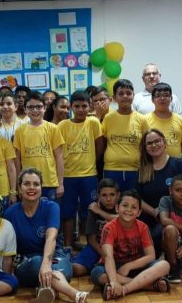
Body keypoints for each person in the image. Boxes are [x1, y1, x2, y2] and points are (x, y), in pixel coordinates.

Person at [4, 169, 88, 303]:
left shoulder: (52, 207)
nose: (31, 188)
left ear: (41, 188)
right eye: (27, 184)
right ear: (19, 188)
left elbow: (51, 237)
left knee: (63, 269)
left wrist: (46, 265)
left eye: (36, 184)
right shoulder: (10, 213)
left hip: (54, 255)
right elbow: (6, 247)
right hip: (27, 261)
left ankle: (45, 290)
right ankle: (75, 294)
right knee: (38, 263)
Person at [92, 190, 171, 300]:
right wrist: (114, 280)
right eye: (125, 205)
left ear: (139, 212)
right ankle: (149, 285)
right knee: (99, 275)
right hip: (113, 267)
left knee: (164, 265)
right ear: (117, 208)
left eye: (134, 207)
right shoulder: (109, 228)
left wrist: (128, 266)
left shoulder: (143, 227)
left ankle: (125, 289)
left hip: (136, 266)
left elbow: (151, 256)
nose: (129, 210)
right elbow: (108, 256)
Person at [57, 91, 103, 249]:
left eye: (84, 106)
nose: (81, 109)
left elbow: (99, 146)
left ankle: (90, 246)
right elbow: (58, 150)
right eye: (77, 106)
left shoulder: (93, 122)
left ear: (90, 106)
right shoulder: (63, 125)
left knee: (89, 212)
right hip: (68, 176)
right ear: (71, 107)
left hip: (89, 175)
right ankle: (68, 246)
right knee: (68, 213)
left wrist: (92, 162)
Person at [138, 129, 182, 235]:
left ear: (164, 142)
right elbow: (138, 199)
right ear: (145, 147)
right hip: (151, 221)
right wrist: (154, 212)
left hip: (177, 218)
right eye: (149, 143)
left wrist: (176, 212)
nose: (154, 145)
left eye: (157, 141)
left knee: (167, 230)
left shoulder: (180, 165)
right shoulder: (142, 171)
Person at [13, 91, 65, 200]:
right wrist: (18, 184)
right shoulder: (20, 131)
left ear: (45, 108)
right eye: (31, 107)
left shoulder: (53, 128)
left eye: (38, 107)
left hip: (49, 182)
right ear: (25, 109)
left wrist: (60, 184)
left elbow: (59, 157)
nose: (35, 110)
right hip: (28, 183)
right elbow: (17, 160)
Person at [102, 79, 148, 191]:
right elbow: (103, 142)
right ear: (114, 97)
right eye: (121, 93)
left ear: (133, 95)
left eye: (128, 93)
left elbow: (146, 145)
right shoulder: (108, 118)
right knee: (112, 200)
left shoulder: (142, 119)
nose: (125, 96)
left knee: (134, 199)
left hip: (135, 169)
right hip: (111, 169)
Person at [71, 179, 118, 277]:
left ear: (118, 195)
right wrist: (105, 256)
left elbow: (122, 219)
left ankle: (96, 266)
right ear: (98, 196)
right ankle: (84, 261)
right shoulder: (93, 208)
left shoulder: (122, 206)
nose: (108, 199)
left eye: (112, 195)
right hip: (97, 247)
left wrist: (100, 212)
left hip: (117, 248)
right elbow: (92, 240)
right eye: (104, 195)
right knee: (76, 269)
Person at [144, 83, 182, 158]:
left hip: (175, 162)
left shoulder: (180, 120)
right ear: (152, 99)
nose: (162, 98)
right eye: (158, 96)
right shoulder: (144, 120)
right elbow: (142, 144)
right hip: (153, 162)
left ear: (171, 99)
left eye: (166, 95)